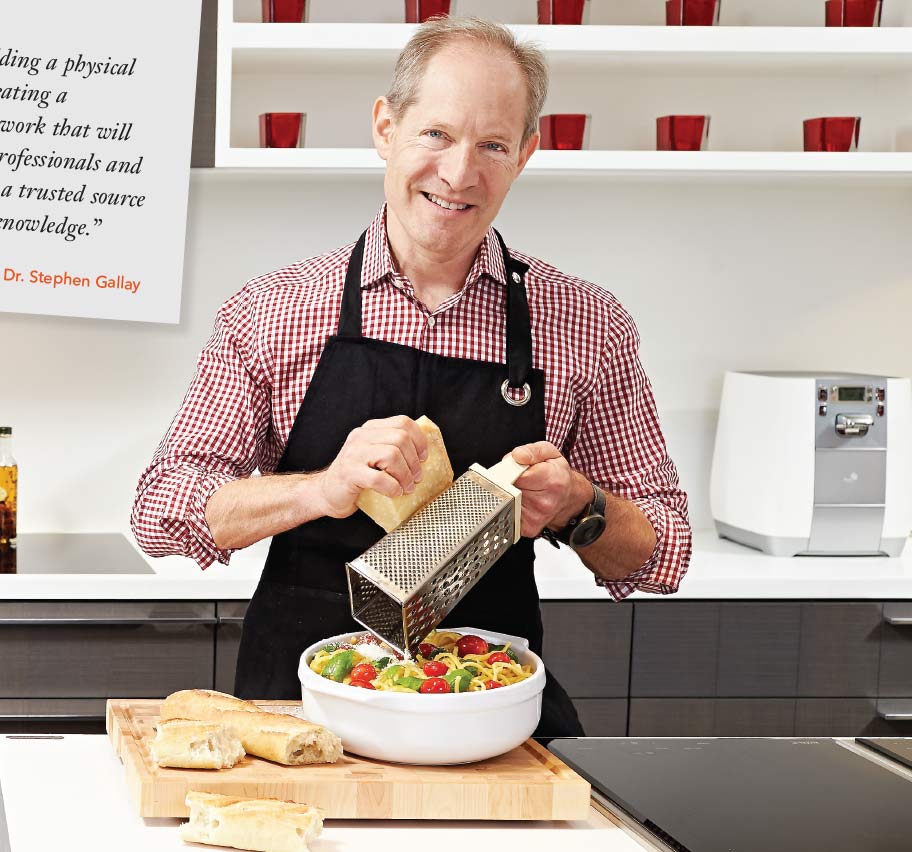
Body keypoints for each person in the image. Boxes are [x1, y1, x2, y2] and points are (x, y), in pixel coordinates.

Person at [132, 16, 691, 739]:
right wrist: (319, 489)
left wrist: (578, 507)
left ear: (524, 155)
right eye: (436, 134)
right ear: (385, 128)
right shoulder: (273, 311)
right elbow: (162, 511)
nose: (460, 174)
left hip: (486, 717)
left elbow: (665, 554)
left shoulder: (586, 323)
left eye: (492, 145)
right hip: (304, 715)